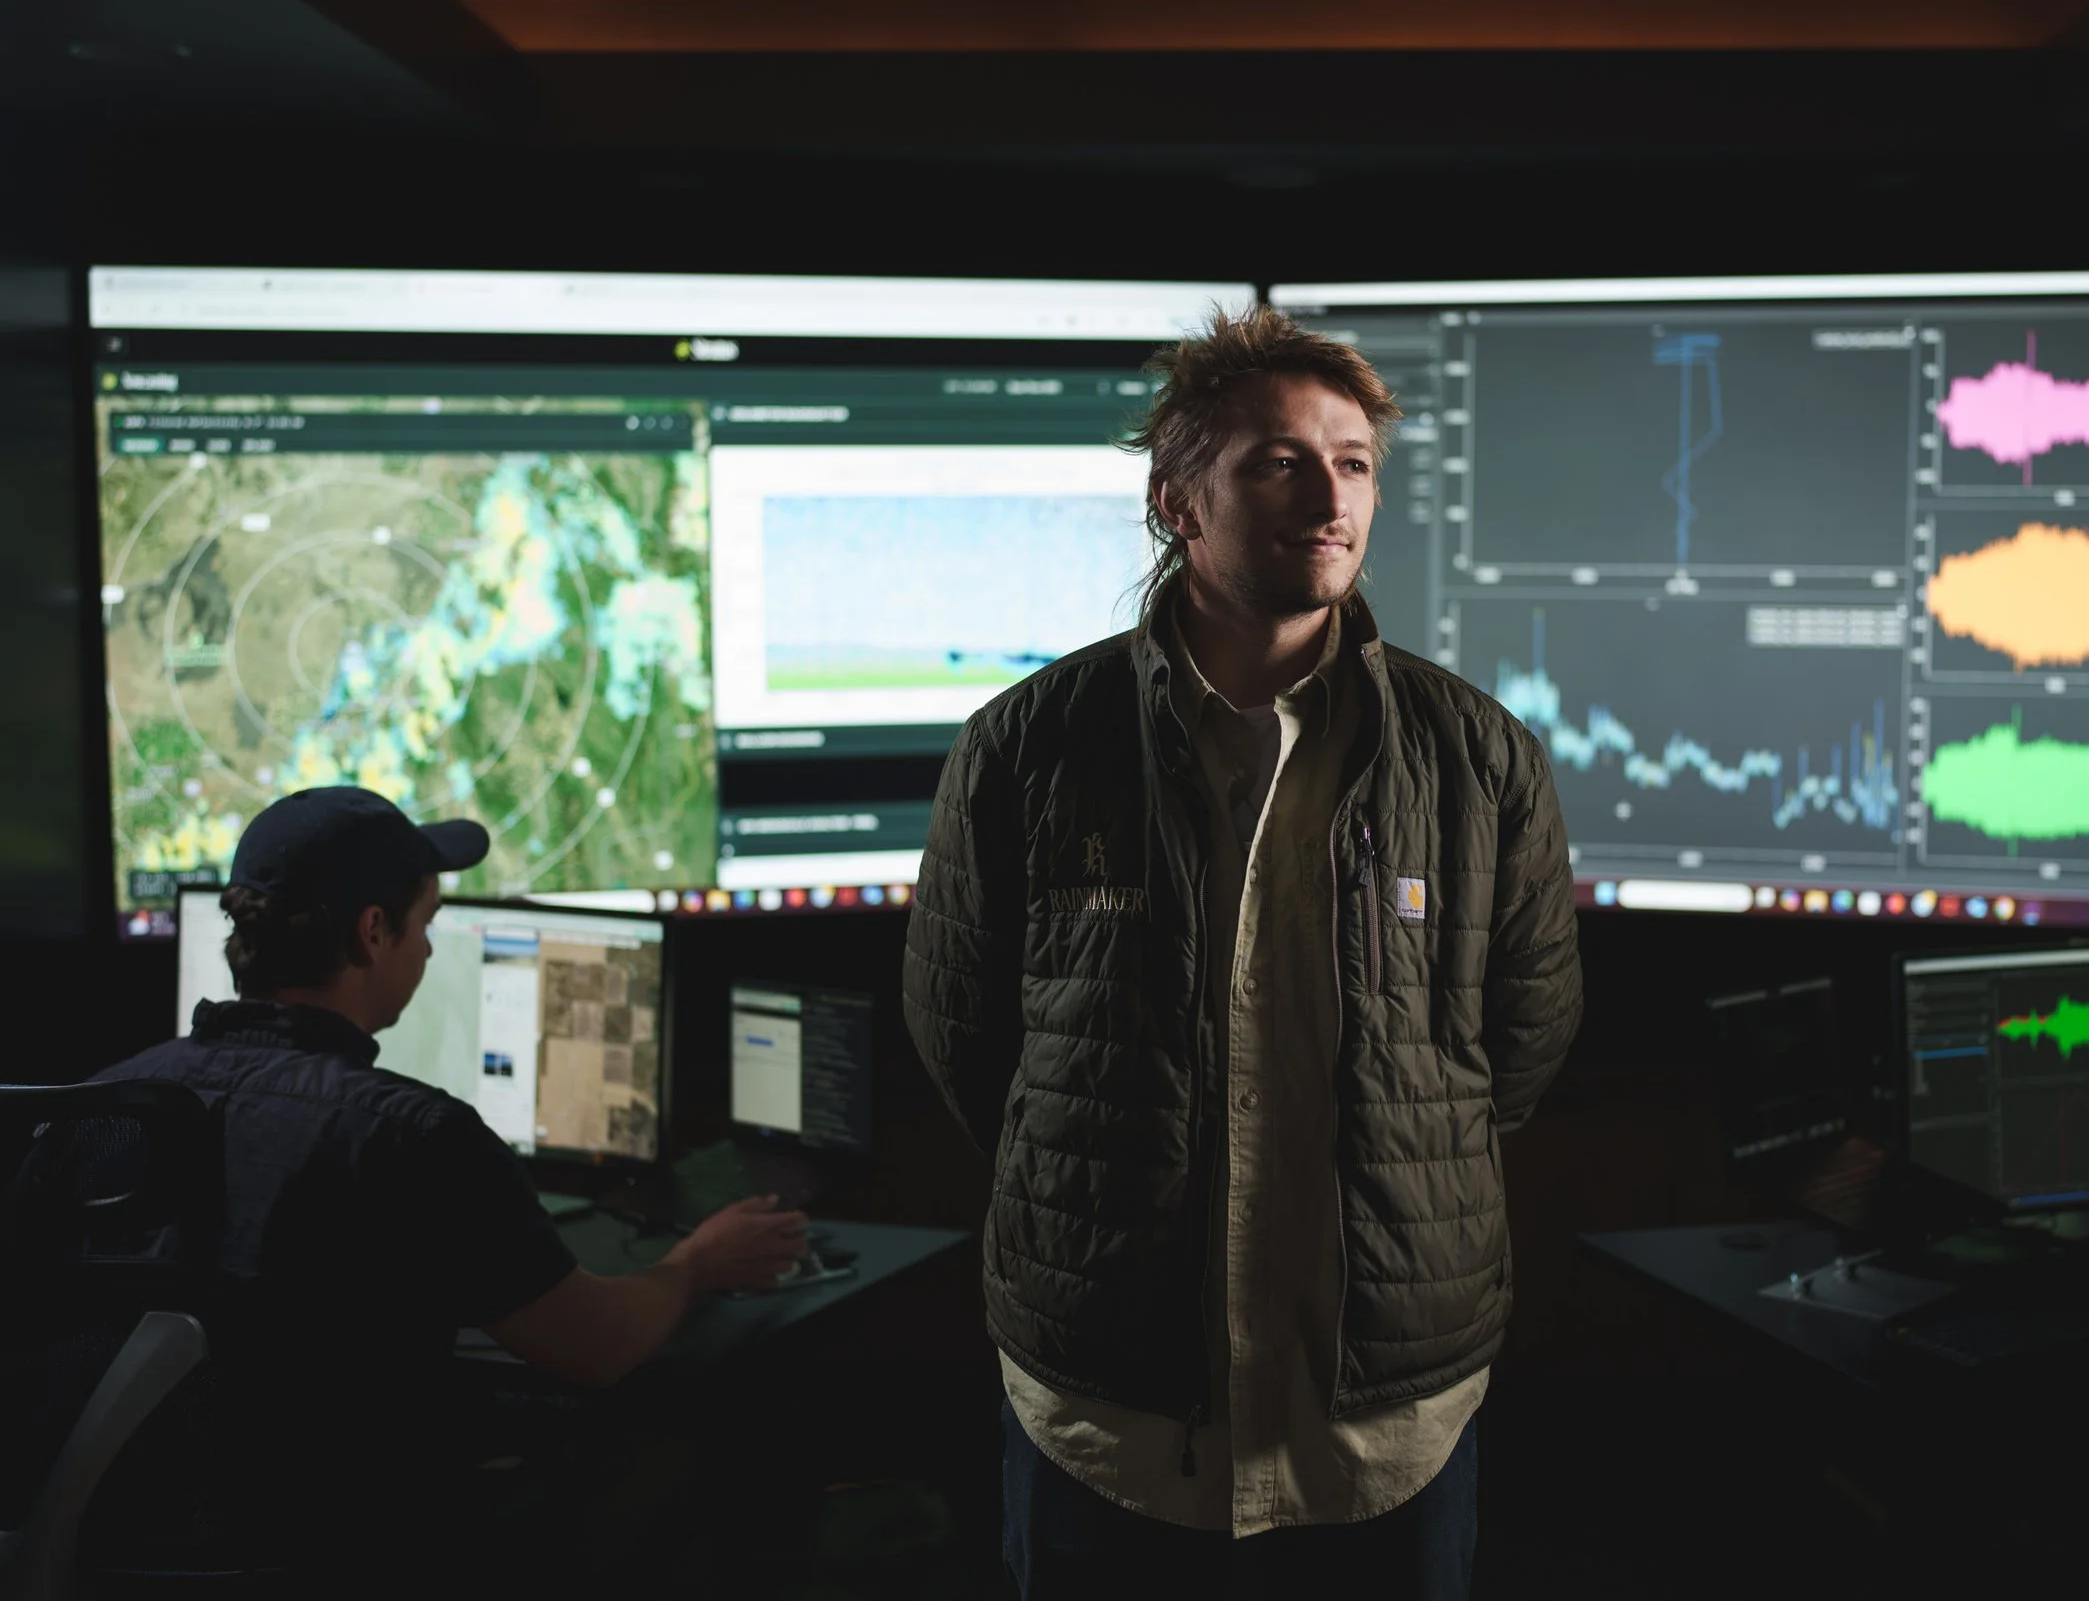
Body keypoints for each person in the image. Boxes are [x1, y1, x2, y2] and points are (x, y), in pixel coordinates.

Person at [903, 305, 1584, 1598]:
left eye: (1356, 461)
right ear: (1178, 500)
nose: (1329, 493)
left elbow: (1524, 1042)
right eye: (1279, 458)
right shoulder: (1029, 746)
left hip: (1380, 1439)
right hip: (1110, 1428)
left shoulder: (1481, 756)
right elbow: (965, 1036)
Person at [86, 786, 806, 1578]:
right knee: (679, 1466)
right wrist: (696, 1263)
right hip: (351, 1553)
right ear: (371, 932)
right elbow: (599, 1348)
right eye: (424, 926)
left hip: (125, 1552)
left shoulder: (104, 1106)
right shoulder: (411, 1135)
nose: (428, 952)